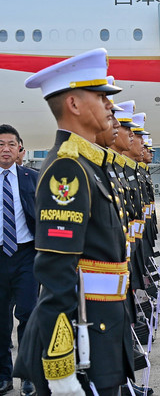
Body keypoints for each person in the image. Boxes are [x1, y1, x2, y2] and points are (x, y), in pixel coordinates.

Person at [14, 48, 134, 395]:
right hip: (82, 338)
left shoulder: (88, 164)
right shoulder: (67, 168)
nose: (110, 105)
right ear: (74, 105)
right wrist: (61, 365)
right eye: (101, 96)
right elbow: (55, 269)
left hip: (101, 326)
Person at [0, 125, 38, 396]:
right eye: (1, 144)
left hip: (26, 256)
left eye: (11, 144)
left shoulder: (32, 177)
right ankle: (3, 376)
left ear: (20, 148)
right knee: (0, 322)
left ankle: (27, 375)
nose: (6, 149)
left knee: (28, 316)